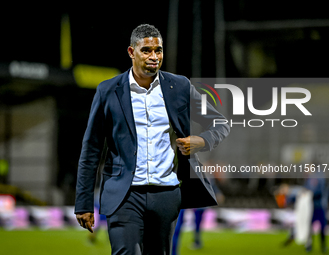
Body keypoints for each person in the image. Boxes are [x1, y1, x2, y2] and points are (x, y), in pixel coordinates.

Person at [74, 24, 229, 255]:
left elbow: (220, 123)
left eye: (159, 50)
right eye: (146, 50)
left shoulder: (180, 87)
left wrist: (202, 141)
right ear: (131, 52)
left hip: (166, 194)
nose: (154, 56)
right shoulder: (108, 90)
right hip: (124, 194)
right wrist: (83, 202)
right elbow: (91, 149)